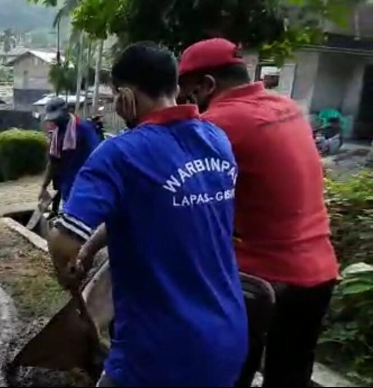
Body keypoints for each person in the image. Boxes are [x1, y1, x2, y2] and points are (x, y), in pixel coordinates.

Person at [47, 42, 248, 387]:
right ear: (173, 84)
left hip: (158, 351)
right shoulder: (217, 139)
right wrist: (93, 249)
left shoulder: (119, 155)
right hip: (227, 337)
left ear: (125, 93)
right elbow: (154, 202)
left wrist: (66, 268)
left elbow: (63, 242)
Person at [177, 38, 339, 387]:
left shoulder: (219, 123)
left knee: (228, 373)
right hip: (320, 270)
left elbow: (173, 193)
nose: (188, 105)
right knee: (290, 374)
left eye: (188, 94)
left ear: (206, 85)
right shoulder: (288, 106)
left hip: (264, 280)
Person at [38, 97, 100, 212]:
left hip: (85, 187)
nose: (55, 121)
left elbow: (97, 156)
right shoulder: (57, 134)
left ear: (66, 111)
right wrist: (44, 186)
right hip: (67, 186)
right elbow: (53, 162)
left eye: (57, 117)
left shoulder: (84, 129)